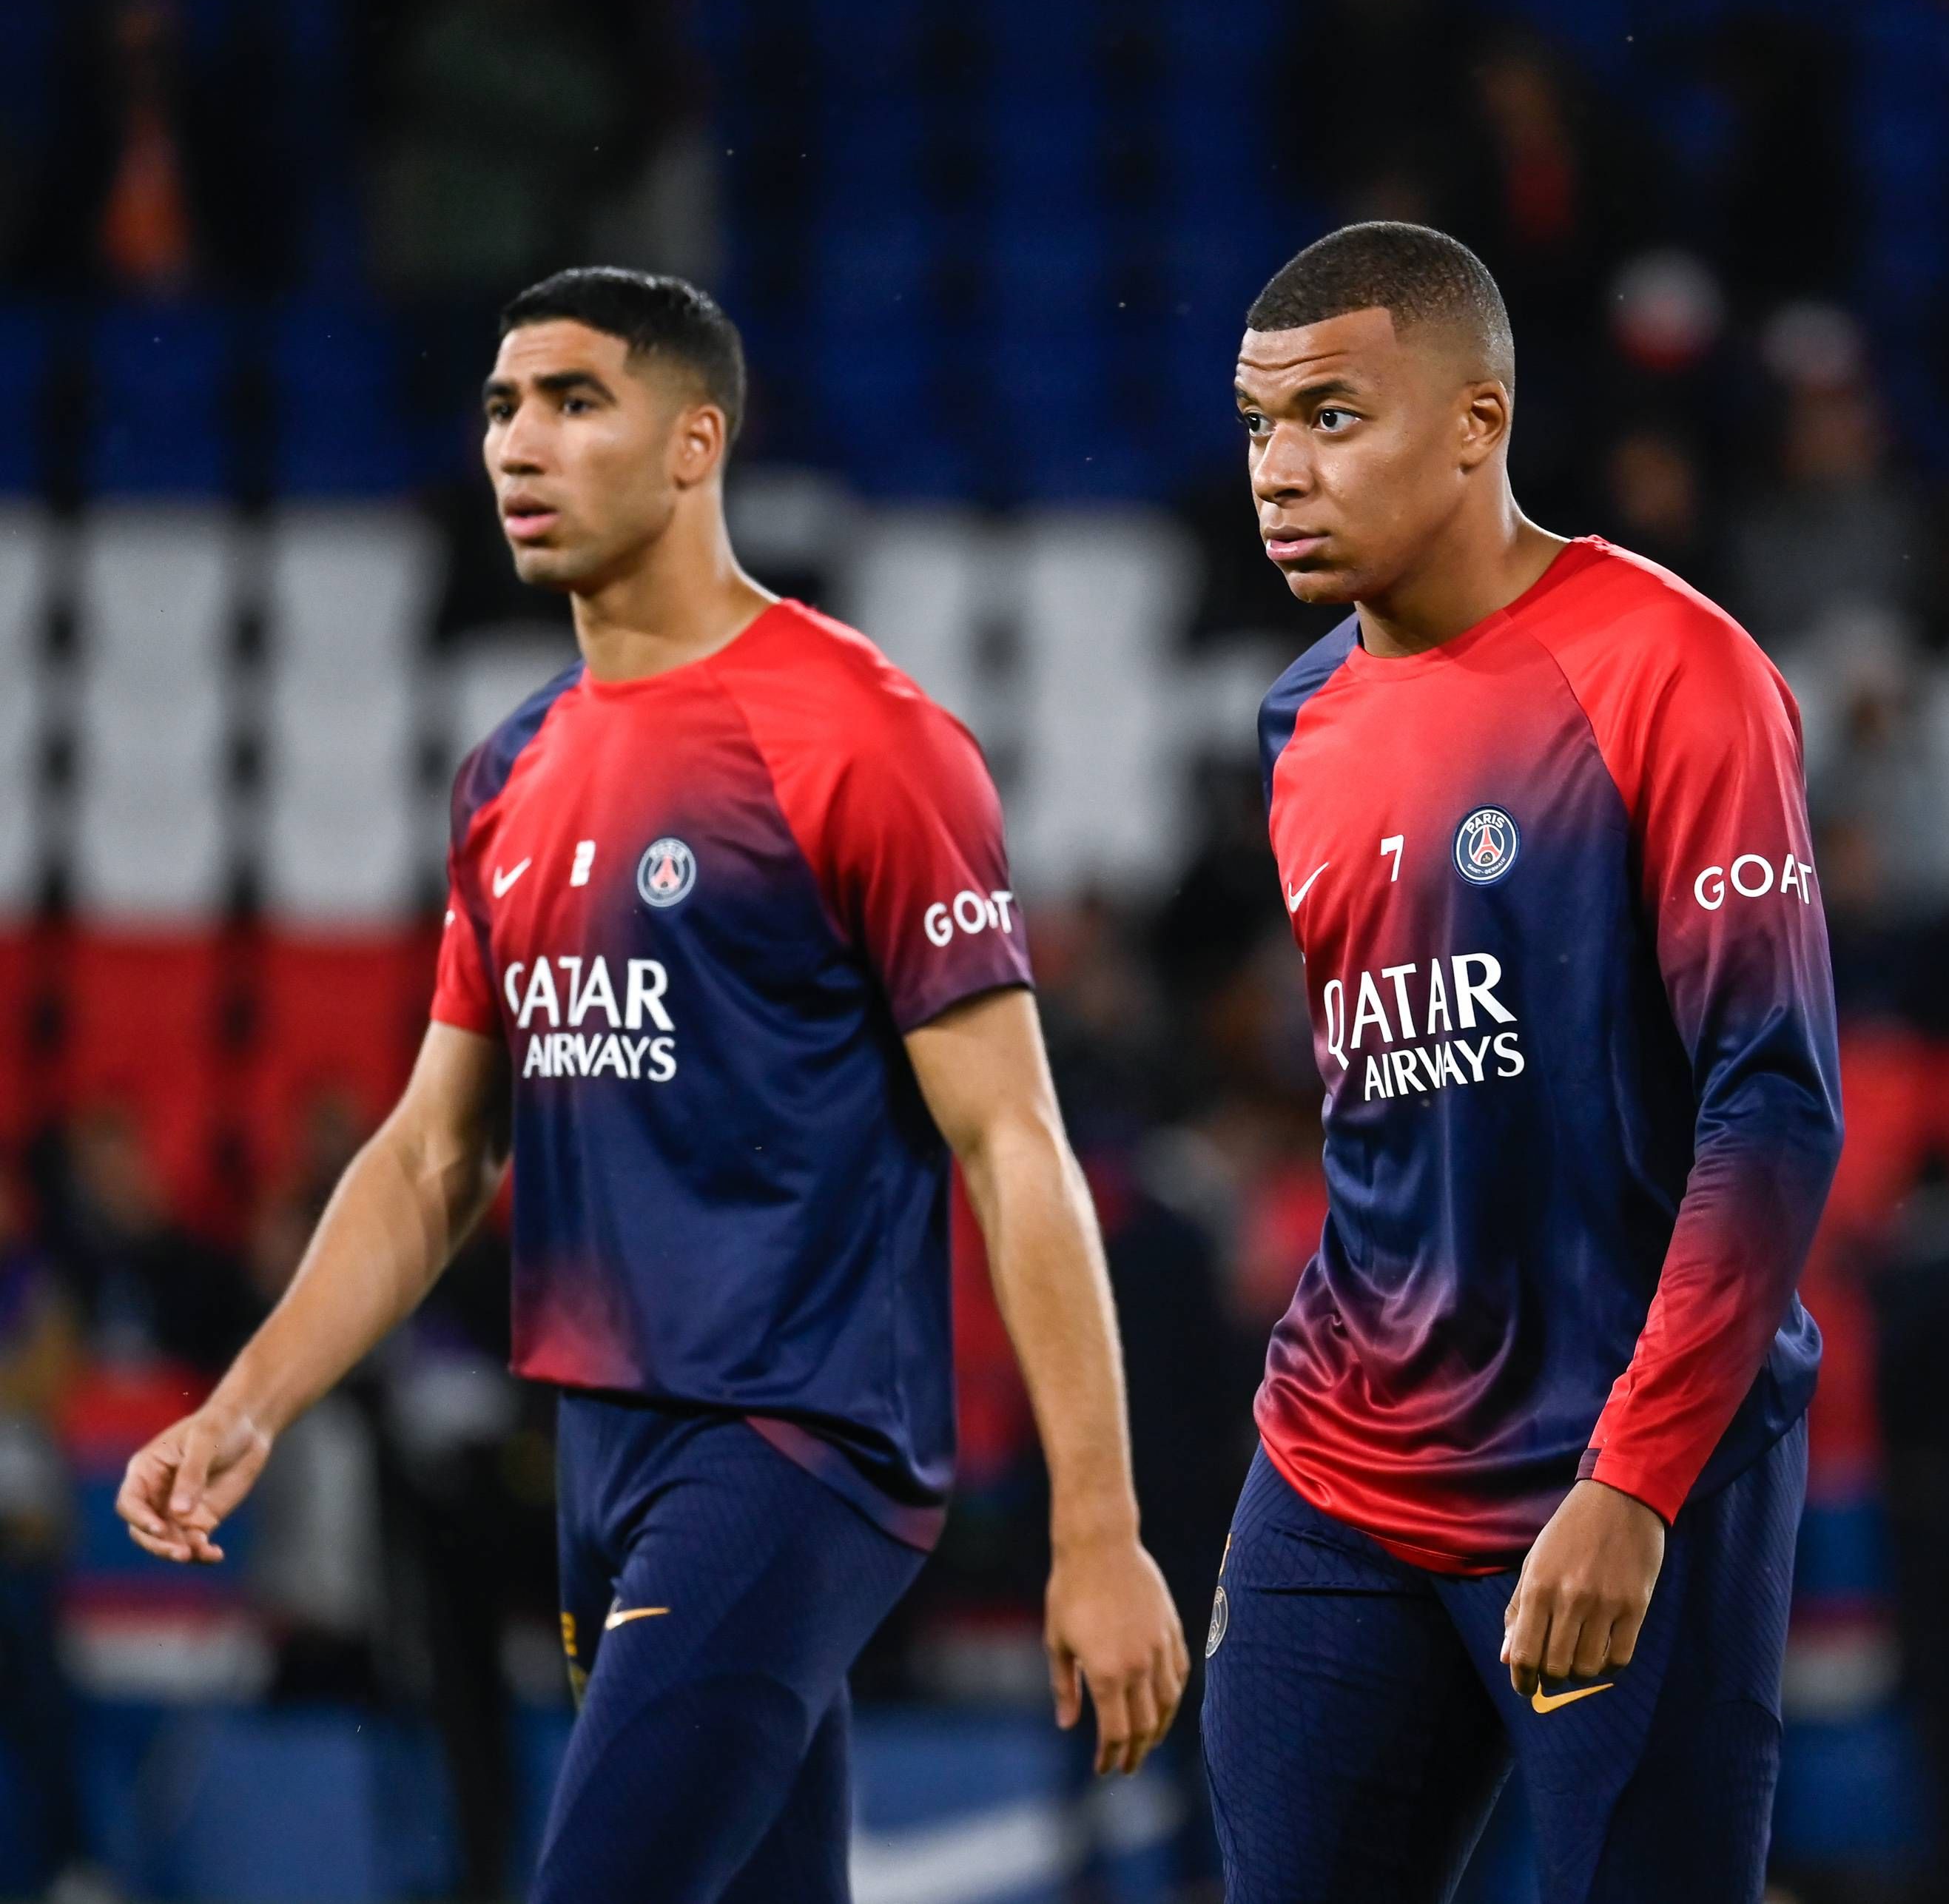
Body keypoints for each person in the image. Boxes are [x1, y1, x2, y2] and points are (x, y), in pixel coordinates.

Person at [112, 268, 1186, 1904]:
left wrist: (1095, 1527)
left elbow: (1010, 1136)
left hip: (795, 1448)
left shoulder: (862, 741)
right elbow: (430, 1156)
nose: (518, 443)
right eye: (497, 406)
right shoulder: (512, 774)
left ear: (697, 443)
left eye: (571, 400)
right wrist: (246, 1400)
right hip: (602, 1454)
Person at [1207, 221, 1842, 1903]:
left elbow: (1771, 1109)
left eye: (1332, 417)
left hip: (1622, 1464)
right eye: (1260, 424)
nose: (1280, 469)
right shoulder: (1298, 722)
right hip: (1342, 1460)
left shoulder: (1669, 672)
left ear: (1479, 423)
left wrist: (1631, 1484)